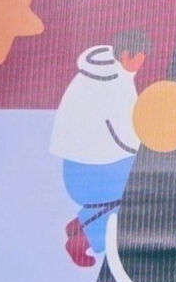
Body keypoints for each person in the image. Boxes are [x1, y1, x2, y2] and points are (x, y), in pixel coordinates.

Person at [48, 36, 149, 267]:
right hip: (94, 169)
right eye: (138, 60)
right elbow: (125, 134)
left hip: (80, 166)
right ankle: (84, 239)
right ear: (126, 54)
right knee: (140, 194)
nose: (139, 65)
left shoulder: (101, 74)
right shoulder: (113, 82)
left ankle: (82, 224)